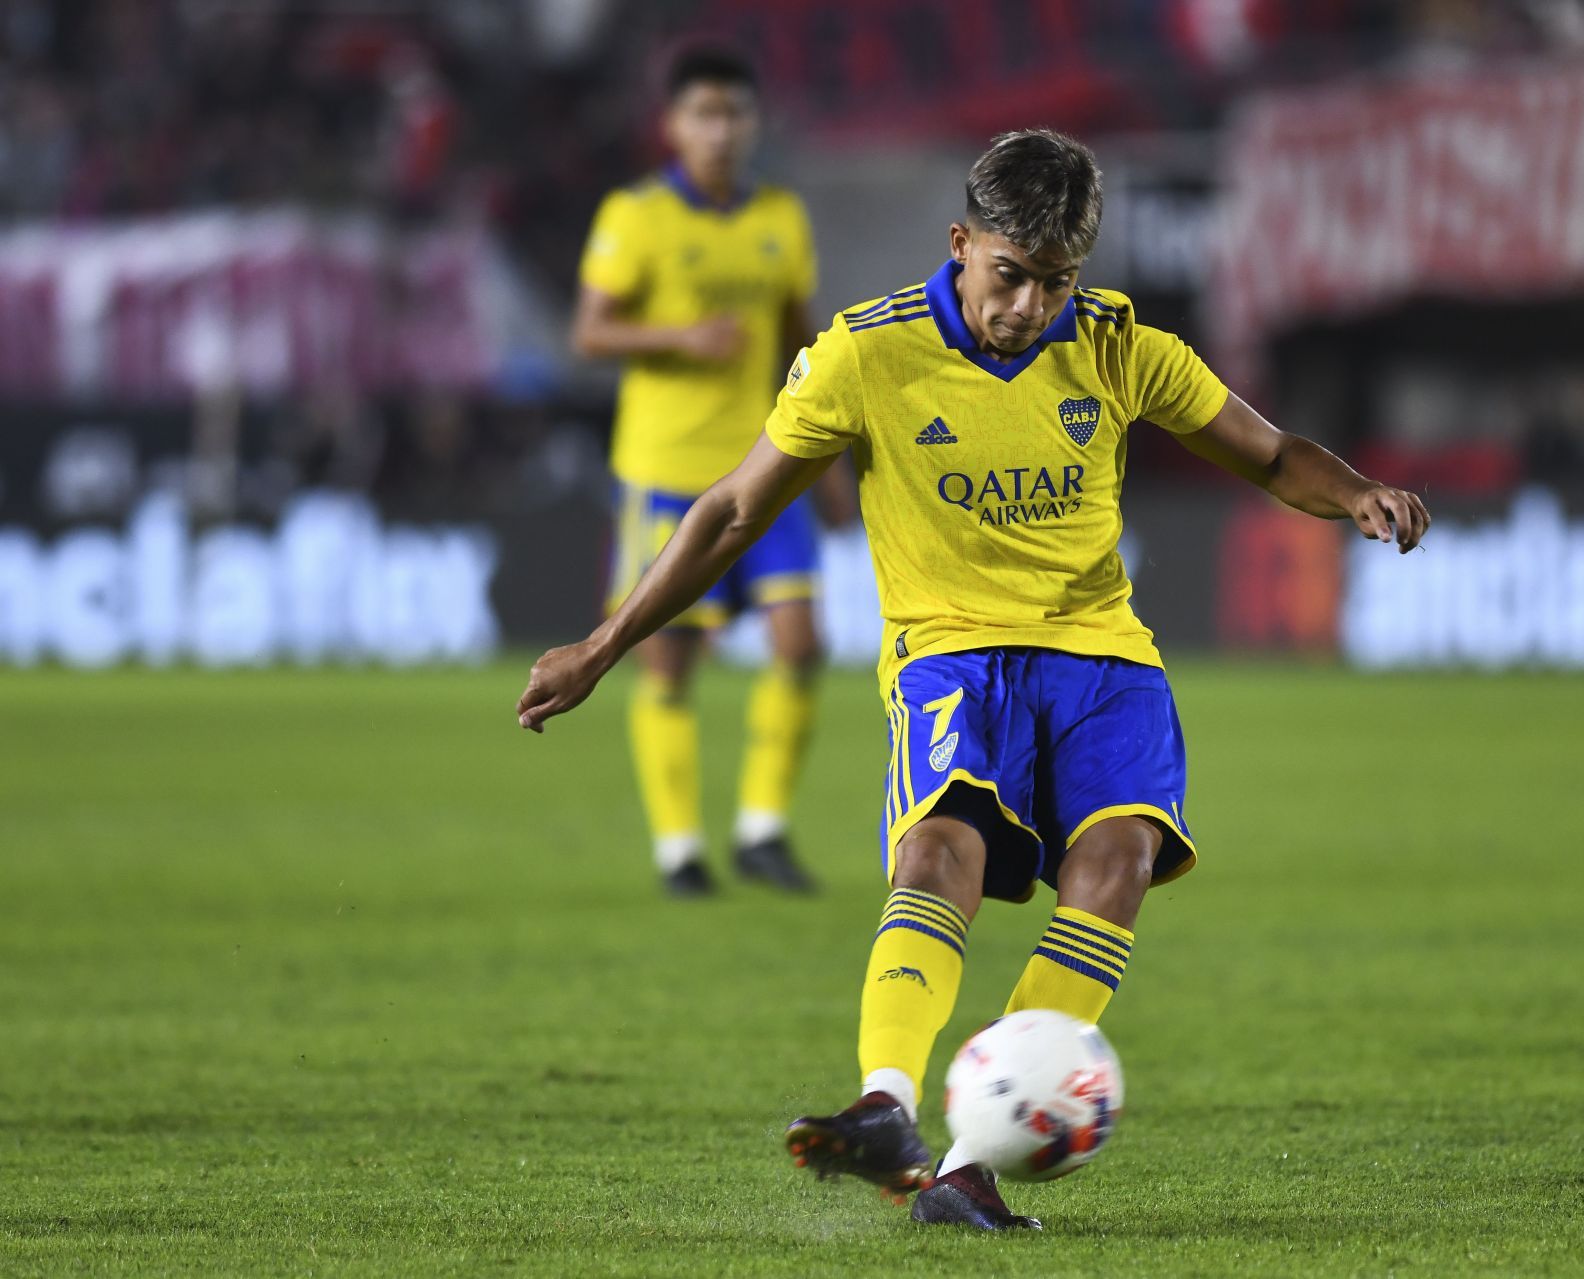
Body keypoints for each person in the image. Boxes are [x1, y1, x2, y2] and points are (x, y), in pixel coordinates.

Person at [520, 129, 1430, 1229]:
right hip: (953, 652)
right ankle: (883, 1106)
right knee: (939, 846)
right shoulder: (867, 353)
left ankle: (968, 1165)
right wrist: (605, 643)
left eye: (1056, 282)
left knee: (1120, 857)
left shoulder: (1121, 347)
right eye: (1009, 275)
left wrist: (1359, 494)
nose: (1028, 305)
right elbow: (730, 509)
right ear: (960, 244)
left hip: (1102, 655)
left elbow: (1272, 451)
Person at [571, 47, 831, 897]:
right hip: (666, 473)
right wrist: (680, 339)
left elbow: (802, 339)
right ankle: (679, 847)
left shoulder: (782, 217)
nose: (720, 131)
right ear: (673, 124)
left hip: (764, 464)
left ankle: (761, 828)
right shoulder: (636, 215)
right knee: (669, 662)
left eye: (735, 114)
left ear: (754, 123)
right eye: (704, 114)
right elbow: (591, 332)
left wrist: (829, 453)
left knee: (800, 643)